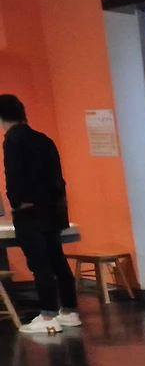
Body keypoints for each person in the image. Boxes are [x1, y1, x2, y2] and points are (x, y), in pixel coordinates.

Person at [0, 94, 79, 335]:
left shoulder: (13, 140)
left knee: (39, 265)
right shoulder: (44, 140)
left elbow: (13, 176)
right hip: (52, 210)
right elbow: (57, 178)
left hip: (29, 213)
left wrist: (16, 203)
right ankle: (69, 311)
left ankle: (48, 316)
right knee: (57, 260)